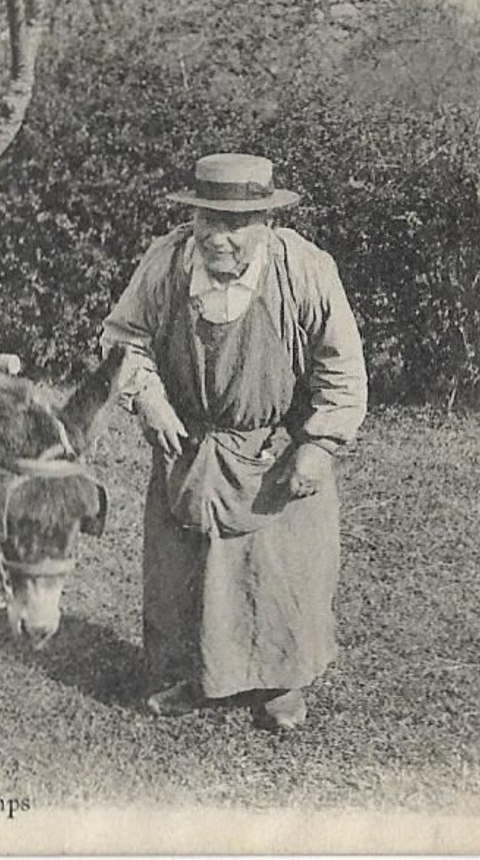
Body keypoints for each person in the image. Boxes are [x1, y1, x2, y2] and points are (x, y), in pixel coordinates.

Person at [101, 153, 367, 732]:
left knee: (281, 576)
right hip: (189, 451)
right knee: (181, 575)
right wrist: (150, 400)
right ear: (192, 218)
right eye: (209, 221)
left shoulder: (304, 269)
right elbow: (123, 340)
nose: (221, 238)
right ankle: (188, 676)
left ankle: (281, 684)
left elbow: (342, 366)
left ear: (266, 223)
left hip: (273, 455)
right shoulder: (167, 262)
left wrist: (319, 444)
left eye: (237, 224)